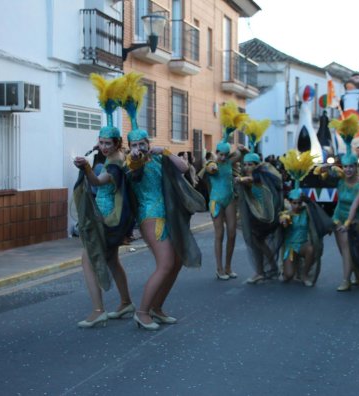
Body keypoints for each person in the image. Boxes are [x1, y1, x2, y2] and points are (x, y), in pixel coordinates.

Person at [122, 72, 204, 330]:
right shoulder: (133, 162)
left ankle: (157, 308)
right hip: (151, 216)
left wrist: (165, 151)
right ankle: (142, 311)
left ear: (148, 141)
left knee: (176, 263)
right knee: (166, 262)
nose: (139, 147)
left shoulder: (157, 157)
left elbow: (182, 167)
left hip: (169, 215)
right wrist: (136, 156)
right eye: (134, 144)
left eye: (142, 142)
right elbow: (134, 168)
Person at [72, 73, 136, 328]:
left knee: (88, 259)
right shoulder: (114, 157)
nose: (103, 146)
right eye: (100, 141)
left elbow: (99, 183)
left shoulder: (116, 161)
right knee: (111, 260)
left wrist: (87, 168)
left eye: (107, 142)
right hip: (108, 214)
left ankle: (98, 309)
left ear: (117, 142)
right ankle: (125, 302)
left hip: (107, 217)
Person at [315, 114, 359, 291]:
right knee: (344, 250)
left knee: (350, 249)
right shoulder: (340, 178)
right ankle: (357, 276)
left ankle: (346, 280)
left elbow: (354, 206)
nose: (348, 169)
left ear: (356, 167)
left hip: (355, 219)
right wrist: (323, 169)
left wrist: (347, 223)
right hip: (339, 216)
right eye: (345, 166)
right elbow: (324, 176)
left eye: (351, 166)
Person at [200, 101, 247, 280]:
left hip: (229, 200)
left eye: (225, 155)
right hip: (216, 201)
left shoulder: (228, 161)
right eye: (220, 153)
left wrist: (241, 148)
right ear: (216, 152)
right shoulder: (212, 163)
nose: (223, 157)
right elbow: (210, 169)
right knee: (219, 234)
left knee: (233, 233)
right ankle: (219, 268)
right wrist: (213, 165)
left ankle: (228, 266)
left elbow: (241, 154)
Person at [234, 118, 284, 284]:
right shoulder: (260, 172)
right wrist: (248, 151)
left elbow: (248, 180)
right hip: (256, 215)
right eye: (246, 164)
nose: (247, 166)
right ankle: (264, 270)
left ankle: (266, 269)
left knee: (258, 242)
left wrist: (240, 180)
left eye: (251, 164)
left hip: (264, 216)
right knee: (257, 243)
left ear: (257, 164)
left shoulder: (259, 175)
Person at [278, 150, 333, 287]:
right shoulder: (286, 213)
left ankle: (304, 274)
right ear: (290, 202)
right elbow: (283, 221)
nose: (296, 205)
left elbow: (318, 215)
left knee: (310, 249)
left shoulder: (307, 211)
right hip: (290, 247)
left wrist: (327, 227)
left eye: (298, 202)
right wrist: (285, 221)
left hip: (303, 246)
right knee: (288, 277)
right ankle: (289, 268)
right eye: (294, 203)